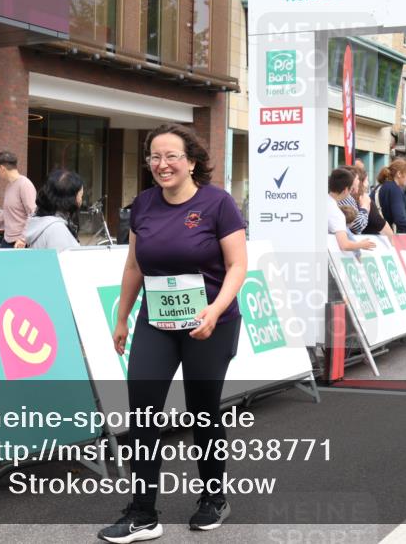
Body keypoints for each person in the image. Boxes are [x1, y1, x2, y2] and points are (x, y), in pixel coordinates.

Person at [102, 124, 247, 543]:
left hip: (210, 321)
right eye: (154, 157)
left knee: (204, 411)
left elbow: (238, 265)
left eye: (171, 156)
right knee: (143, 411)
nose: (162, 164)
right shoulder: (144, 204)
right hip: (157, 320)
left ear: (192, 161)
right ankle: (143, 513)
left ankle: (213, 498)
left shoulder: (218, 203)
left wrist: (214, 311)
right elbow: (134, 265)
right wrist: (123, 317)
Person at [24, 169, 83, 251]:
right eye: (80, 196)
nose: (81, 200)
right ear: (71, 199)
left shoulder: (40, 221)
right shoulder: (57, 229)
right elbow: (65, 262)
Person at [328, 167, 376, 252]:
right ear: (346, 190)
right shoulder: (336, 214)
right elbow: (344, 245)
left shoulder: (318, 201)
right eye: (351, 189)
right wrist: (361, 245)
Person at [336, 166, 369, 234]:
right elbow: (358, 225)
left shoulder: (346, 197)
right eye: (357, 179)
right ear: (351, 181)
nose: (359, 182)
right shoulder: (345, 197)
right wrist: (365, 206)